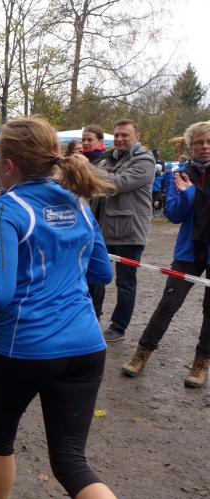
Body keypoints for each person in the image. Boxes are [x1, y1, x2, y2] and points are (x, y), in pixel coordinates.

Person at [0, 117, 130, 499]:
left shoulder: (4, 208)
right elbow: (102, 273)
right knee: (72, 462)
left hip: (23, 347)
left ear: (8, 166)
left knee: (0, 436)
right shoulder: (78, 202)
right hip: (86, 346)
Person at [121, 121, 210, 388]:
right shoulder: (182, 174)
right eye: (199, 142)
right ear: (190, 146)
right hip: (188, 252)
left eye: (209, 142)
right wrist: (187, 195)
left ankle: (201, 363)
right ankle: (142, 353)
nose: (205, 147)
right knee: (168, 304)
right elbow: (173, 214)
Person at [89, 119, 155, 342]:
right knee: (95, 276)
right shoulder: (107, 158)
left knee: (125, 283)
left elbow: (116, 183)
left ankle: (119, 327)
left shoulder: (145, 161)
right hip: (103, 229)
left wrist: (86, 167)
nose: (119, 139)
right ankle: (92, 318)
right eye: (116, 134)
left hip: (130, 232)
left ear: (137, 136)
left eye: (124, 135)